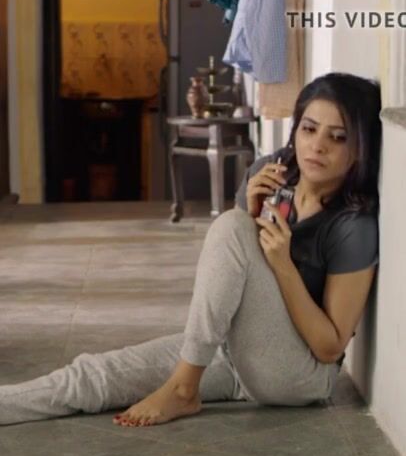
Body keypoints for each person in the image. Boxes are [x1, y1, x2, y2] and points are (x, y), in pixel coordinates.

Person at [0, 72, 381, 428]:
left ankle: (184, 387)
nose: (317, 146)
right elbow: (230, 274)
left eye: (338, 137)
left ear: (360, 149)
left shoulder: (353, 225)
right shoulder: (271, 173)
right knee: (94, 376)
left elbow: (329, 349)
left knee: (231, 226)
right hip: (231, 352)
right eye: (309, 128)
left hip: (296, 375)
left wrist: (282, 265)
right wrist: (250, 215)